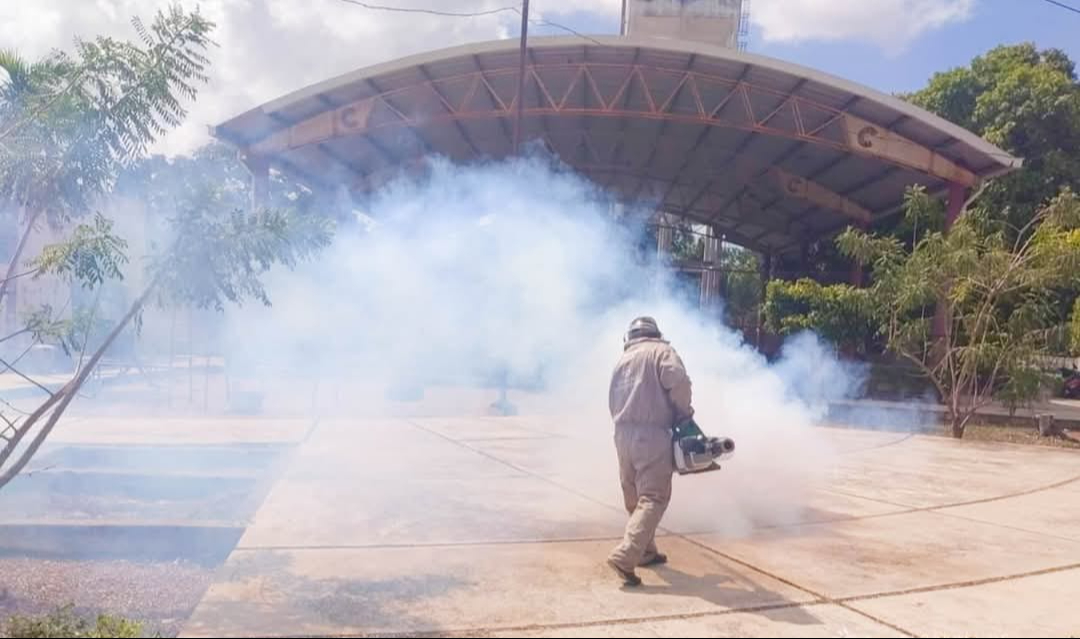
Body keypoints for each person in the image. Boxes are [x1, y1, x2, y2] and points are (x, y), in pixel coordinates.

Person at [606, 316, 693, 587]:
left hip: (622, 434)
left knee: (633, 496)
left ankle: (646, 551)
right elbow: (678, 382)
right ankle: (626, 554)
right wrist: (684, 415)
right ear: (655, 334)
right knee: (653, 497)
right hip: (651, 433)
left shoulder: (622, 359)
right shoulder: (661, 351)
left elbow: (612, 399)